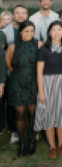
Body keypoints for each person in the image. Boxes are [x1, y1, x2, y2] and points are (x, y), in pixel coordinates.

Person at [34, 21, 62, 159]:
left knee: (60, 114)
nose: (56, 32)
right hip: (48, 83)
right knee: (48, 114)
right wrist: (41, 91)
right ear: (49, 32)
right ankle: (52, 146)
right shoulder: (43, 49)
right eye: (54, 30)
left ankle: (60, 144)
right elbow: (39, 72)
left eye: (59, 29)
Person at [5, 20, 37, 157]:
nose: (29, 34)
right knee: (20, 115)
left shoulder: (38, 45)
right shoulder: (13, 47)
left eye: (32, 31)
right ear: (21, 32)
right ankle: (22, 142)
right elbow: (9, 66)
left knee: (32, 115)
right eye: (26, 31)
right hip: (17, 85)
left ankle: (32, 141)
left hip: (33, 85)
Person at [1, 5, 28, 144]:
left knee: (29, 104)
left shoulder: (31, 29)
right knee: (13, 104)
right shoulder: (5, 32)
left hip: (29, 75)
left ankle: (28, 129)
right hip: (12, 74)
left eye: (23, 13)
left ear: (27, 15)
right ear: (13, 15)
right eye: (17, 13)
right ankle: (13, 132)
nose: (20, 15)